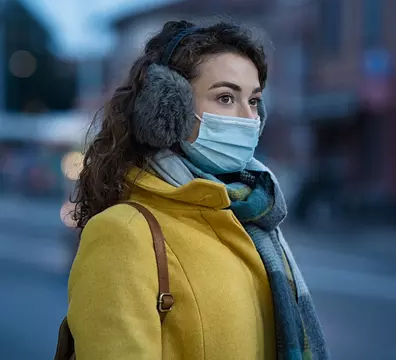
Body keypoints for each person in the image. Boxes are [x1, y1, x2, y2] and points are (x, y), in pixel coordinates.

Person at [68, 20, 328, 359]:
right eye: (225, 97)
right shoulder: (123, 233)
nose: (248, 118)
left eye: (253, 100)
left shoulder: (251, 220)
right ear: (168, 110)